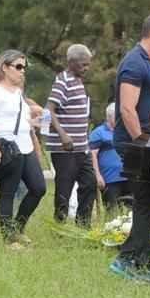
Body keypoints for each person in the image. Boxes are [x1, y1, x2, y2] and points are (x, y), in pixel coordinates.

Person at [110, 13, 150, 281]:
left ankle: (138, 260)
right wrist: (141, 145)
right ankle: (131, 261)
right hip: (134, 143)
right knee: (149, 197)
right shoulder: (134, 63)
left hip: (145, 142)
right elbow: (127, 108)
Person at [0, 50, 45, 248]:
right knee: (8, 192)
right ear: (4, 67)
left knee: (38, 188)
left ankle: (17, 228)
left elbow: (22, 120)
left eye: (24, 67)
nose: (22, 71)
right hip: (6, 146)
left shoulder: (18, 93)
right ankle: (9, 239)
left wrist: (35, 123)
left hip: (25, 147)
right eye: (18, 66)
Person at [46, 44, 97, 228]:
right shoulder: (63, 80)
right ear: (72, 62)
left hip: (82, 147)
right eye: (83, 65)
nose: (86, 68)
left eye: (88, 65)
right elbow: (49, 109)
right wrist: (63, 135)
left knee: (89, 184)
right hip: (65, 148)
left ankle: (82, 225)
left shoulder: (78, 81)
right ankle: (59, 226)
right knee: (64, 189)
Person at [89, 103, 129, 213]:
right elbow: (93, 155)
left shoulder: (125, 130)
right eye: (117, 116)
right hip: (109, 179)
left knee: (131, 210)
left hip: (128, 176)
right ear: (109, 117)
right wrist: (97, 175)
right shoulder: (98, 133)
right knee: (111, 210)